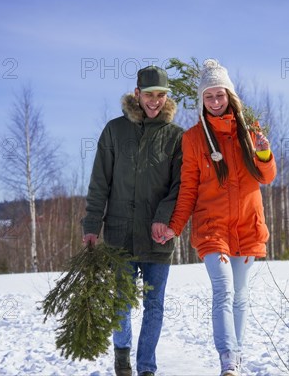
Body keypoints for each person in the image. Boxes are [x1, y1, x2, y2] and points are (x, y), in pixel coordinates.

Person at [155, 59, 276, 376]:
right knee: (222, 291)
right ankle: (228, 359)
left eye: (220, 95)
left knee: (240, 296)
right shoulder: (194, 138)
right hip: (212, 229)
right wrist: (174, 226)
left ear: (230, 96)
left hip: (248, 226)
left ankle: (237, 355)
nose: (215, 102)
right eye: (209, 97)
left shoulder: (249, 131)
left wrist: (263, 152)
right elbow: (188, 189)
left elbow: (266, 177)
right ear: (201, 101)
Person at [82, 65, 183, 376]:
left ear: (167, 97)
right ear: (137, 94)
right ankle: (122, 359)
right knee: (121, 303)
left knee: (154, 306)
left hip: (159, 237)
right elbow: (100, 182)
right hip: (120, 234)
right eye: (149, 95)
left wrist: (164, 218)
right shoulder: (114, 131)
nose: (155, 101)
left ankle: (147, 367)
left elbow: (181, 186)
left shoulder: (177, 137)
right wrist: (91, 225)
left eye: (161, 95)